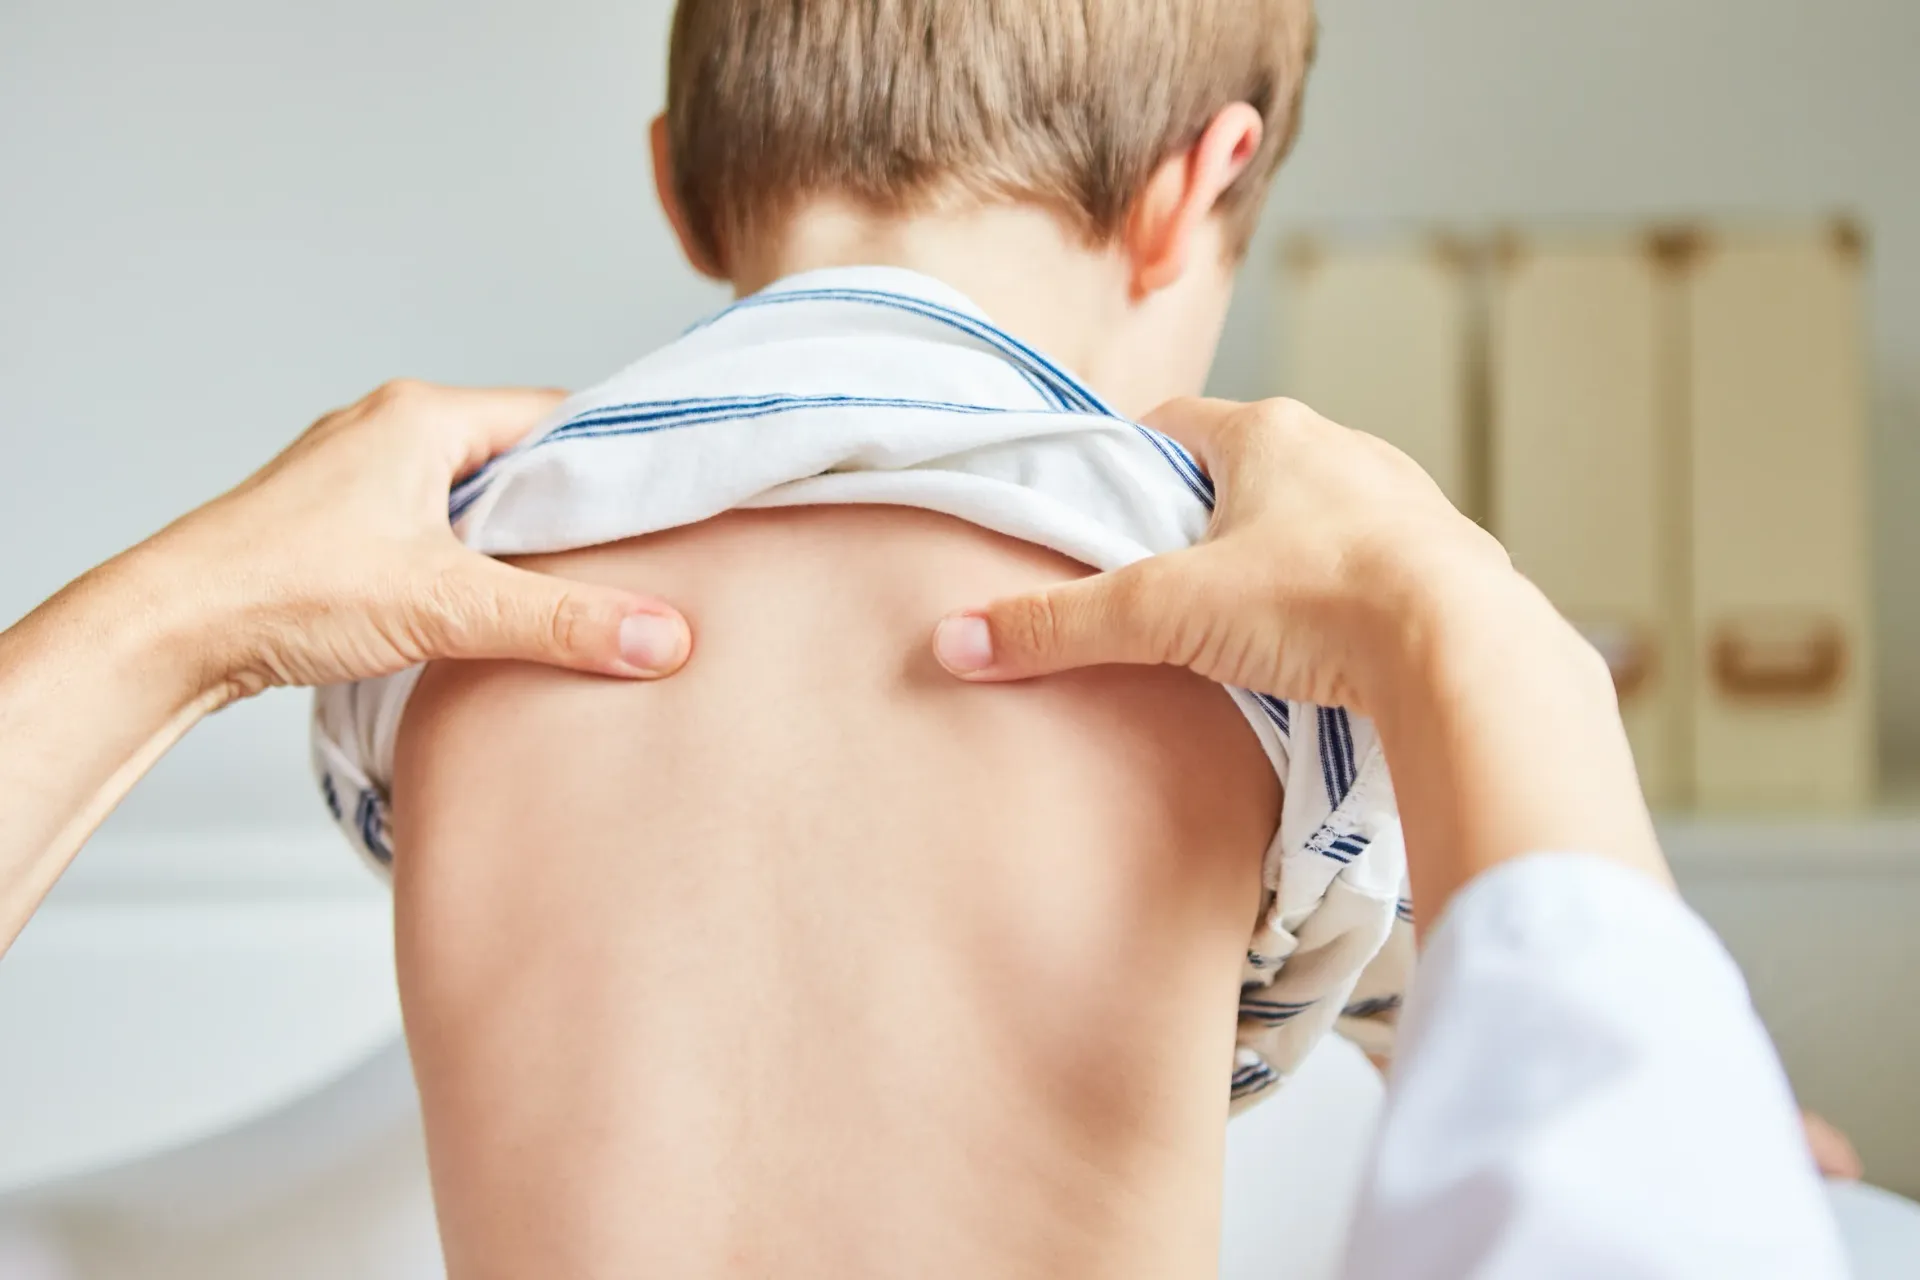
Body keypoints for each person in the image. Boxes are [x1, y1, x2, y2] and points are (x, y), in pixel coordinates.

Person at [0, 381, 1848, 1275]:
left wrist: (170, 617)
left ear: (686, 185)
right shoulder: (1270, 708)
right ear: (1200, 189)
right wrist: (1472, 633)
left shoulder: (438, 666)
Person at [316, 4, 1418, 1273]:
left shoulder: (425, 585)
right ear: (1196, 186)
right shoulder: (1242, 597)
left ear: (679, 184)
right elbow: (1487, 1024)